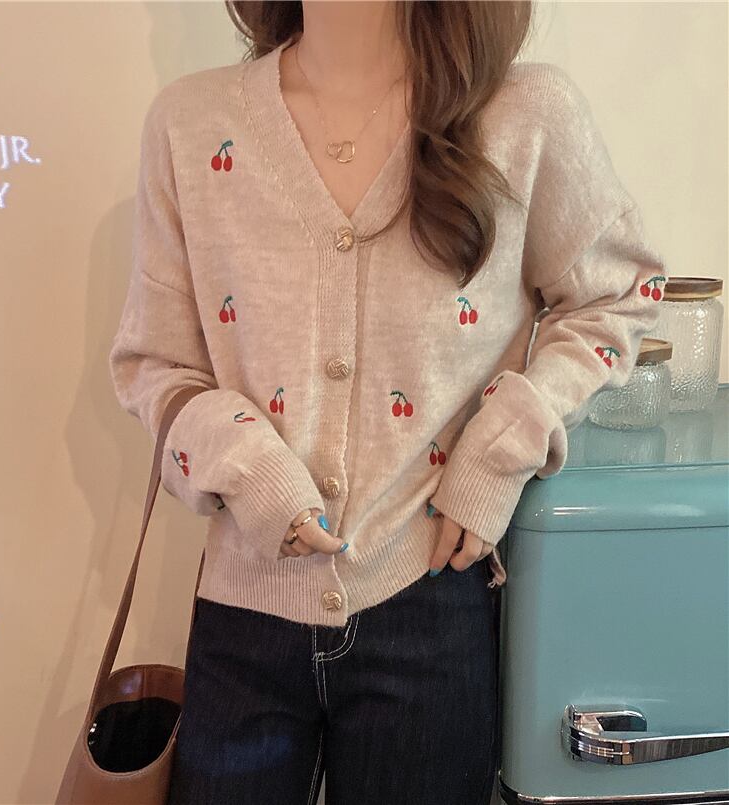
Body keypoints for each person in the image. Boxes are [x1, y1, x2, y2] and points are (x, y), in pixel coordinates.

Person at [108, 2, 667, 803]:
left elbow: (617, 294)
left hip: (430, 601)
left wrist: (499, 448)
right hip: (244, 610)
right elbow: (155, 362)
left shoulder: (523, 114)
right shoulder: (191, 125)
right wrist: (246, 462)